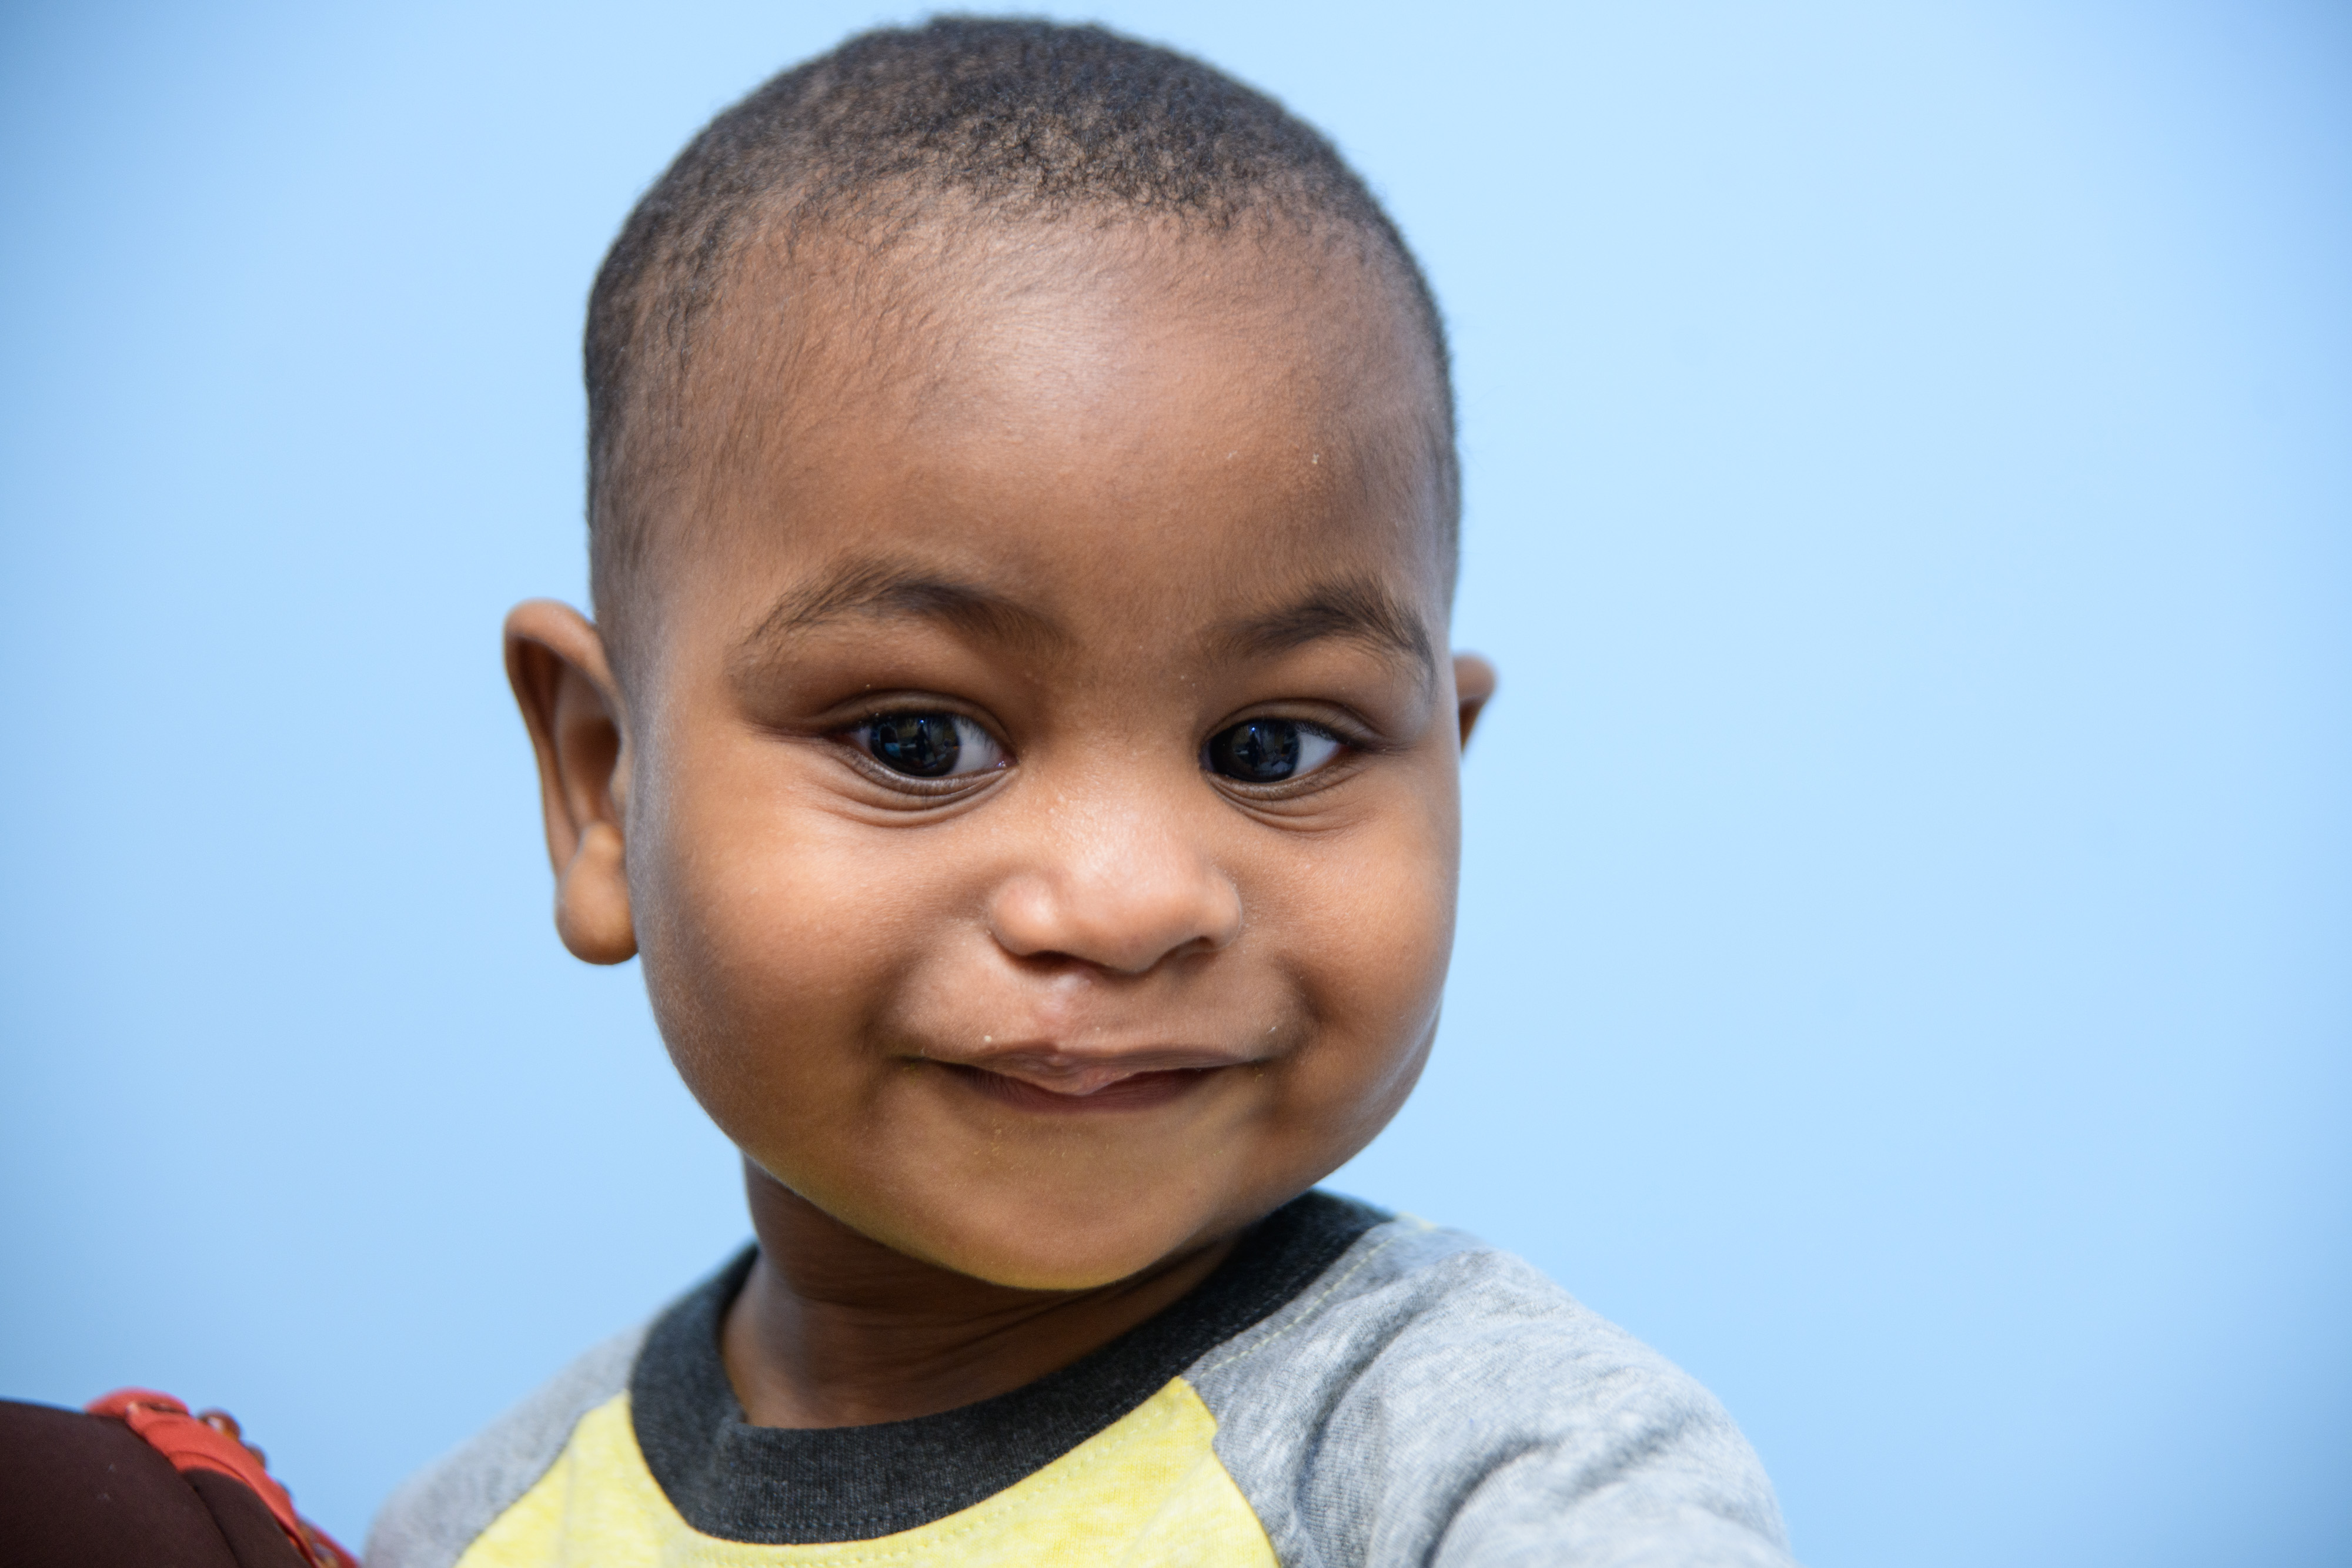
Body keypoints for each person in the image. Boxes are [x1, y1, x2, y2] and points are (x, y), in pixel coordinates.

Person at [366, 18, 1796, 1566]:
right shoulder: (468, 1531)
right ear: (602, 781)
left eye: (1273, 749)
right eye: (918, 741)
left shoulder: (1500, 1468)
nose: (1125, 906)